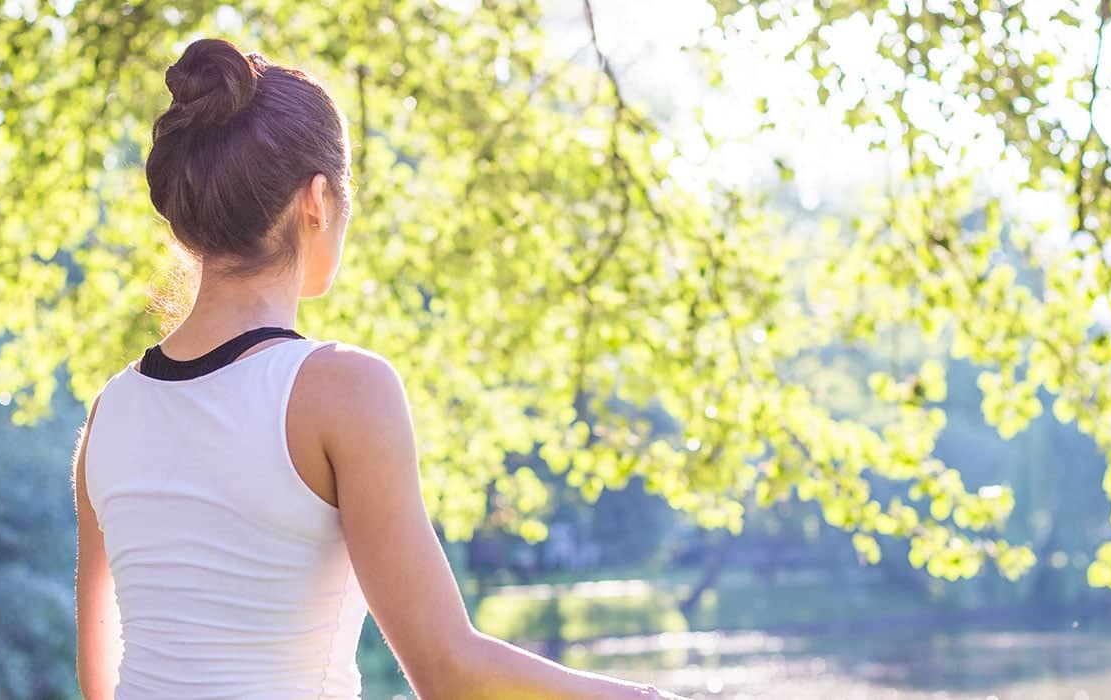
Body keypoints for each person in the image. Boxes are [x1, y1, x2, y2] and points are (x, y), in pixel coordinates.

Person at [72, 37, 685, 700]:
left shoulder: (111, 410)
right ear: (317, 201)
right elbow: (449, 672)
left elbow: (99, 678)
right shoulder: (342, 390)